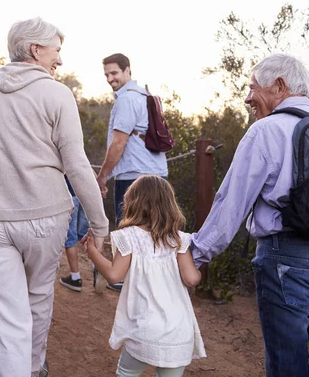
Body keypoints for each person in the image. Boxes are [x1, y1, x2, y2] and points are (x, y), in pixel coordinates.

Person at [0, 17, 108, 377]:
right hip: (44, 220)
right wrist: (99, 224)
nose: (60, 60)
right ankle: (34, 368)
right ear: (36, 50)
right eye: (57, 51)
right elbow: (77, 167)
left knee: (7, 317)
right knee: (37, 298)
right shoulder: (58, 94)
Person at [189, 53, 309, 376]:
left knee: (287, 365)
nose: (246, 97)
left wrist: (195, 256)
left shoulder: (265, 131)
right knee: (288, 355)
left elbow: (231, 205)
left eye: (252, 88)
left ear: (279, 86)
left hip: (286, 265)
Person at [84, 175, 205, 376]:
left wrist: (92, 252)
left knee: (126, 373)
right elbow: (192, 279)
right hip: (178, 332)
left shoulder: (128, 236)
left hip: (145, 330)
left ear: (133, 202)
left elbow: (114, 275)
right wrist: (197, 269)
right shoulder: (179, 239)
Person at [96, 53, 169, 292]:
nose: (110, 78)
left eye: (114, 73)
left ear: (128, 71)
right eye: (107, 74)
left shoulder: (127, 99)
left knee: (127, 227)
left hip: (134, 174)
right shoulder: (145, 95)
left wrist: (103, 174)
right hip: (157, 172)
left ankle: (123, 279)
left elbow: (119, 143)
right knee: (154, 227)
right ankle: (152, 281)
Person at [58, 176, 90, 292]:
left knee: (70, 239)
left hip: (69, 196)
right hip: (85, 195)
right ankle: (98, 269)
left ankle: (75, 278)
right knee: (86, 235)